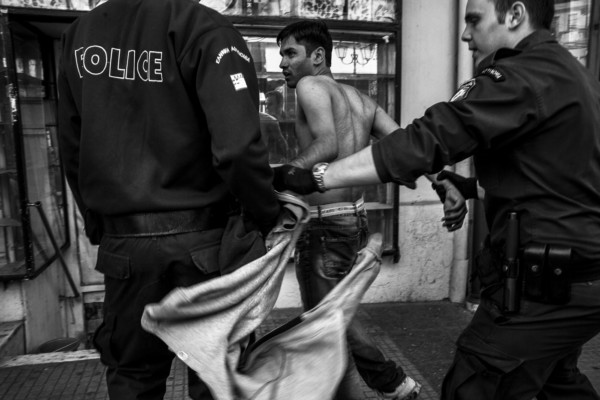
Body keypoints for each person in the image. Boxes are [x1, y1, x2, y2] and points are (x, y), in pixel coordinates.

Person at [272, 1, 600, 399]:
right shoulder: (573, 74)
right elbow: (549, 176)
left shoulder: (521, 76)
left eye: (474, 20)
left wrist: (311, 176)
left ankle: (388, 381)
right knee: (559, 386)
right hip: (576, 281)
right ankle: (388, 381)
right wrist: (454, 184)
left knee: (470, 386)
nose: (465, 34)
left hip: (543, 285)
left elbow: (425, 139)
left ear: (515, 15)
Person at [57, 0, 280, 399]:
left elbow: (72, 146)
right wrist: (266, 215)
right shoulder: (205, 28)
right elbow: (238, 149)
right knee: (216, 379)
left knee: (133, 376)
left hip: (125, 247)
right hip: (205, 245)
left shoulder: (80, 35)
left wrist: (99, 227)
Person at [275, 20, 427, 400]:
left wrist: (284, 176)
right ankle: (385, 384)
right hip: (354, 221)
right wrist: (443, 183)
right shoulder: (361, 100)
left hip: (325, 228)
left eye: (290, 53)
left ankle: (391, 382)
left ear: (318, 56)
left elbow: (327, 144)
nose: (282, 63)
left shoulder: (310, 86)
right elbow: (405, 144)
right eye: (281, 54)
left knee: (326, 325)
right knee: (335, 319)